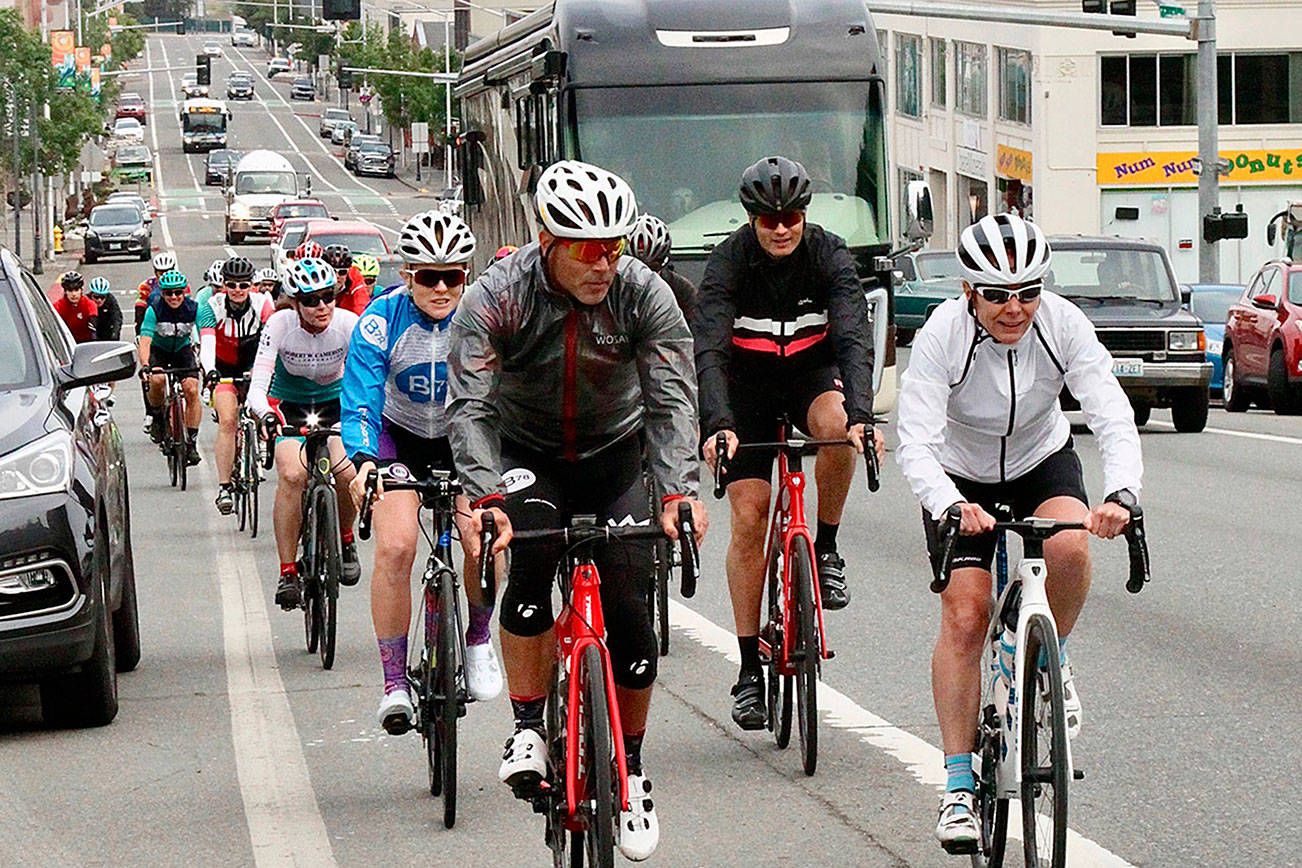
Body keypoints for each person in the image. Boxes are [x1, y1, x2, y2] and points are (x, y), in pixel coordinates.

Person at [447, 160, 707, 862]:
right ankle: (528, 722)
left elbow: (674, 398)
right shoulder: (495, 296)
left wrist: (680, 489)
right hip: (526, 450)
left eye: (615, 246)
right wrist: (485, 496)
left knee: (630, 603)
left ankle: (633, 770)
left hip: (615, 453)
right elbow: (469, 407)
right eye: (587, 247)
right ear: (545, 239)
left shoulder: (644, 293)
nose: (604, 262)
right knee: (528, 558)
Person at [894, 213, 1143, 853]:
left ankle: (1049, 656)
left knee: (1071, 544)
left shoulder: (1062, 324)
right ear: (970, 292)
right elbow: (916, 441)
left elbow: (1110, 411)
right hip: (960, 473)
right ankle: (956, 787)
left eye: (1028, 291)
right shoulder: (941, 336)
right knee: (967, 614)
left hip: (1040, 458)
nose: (1016, 308)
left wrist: (1122, 493)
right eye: (1000, 295)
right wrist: (950, 504)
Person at [694, 155, 881, 731]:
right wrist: (717, 423)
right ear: (751, 218)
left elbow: (852, 334)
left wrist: (863, 416)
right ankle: (749, 668)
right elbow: (709, 350)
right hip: (745, 388)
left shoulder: (829, 253)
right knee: (749, 519)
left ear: (805, 213)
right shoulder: (728, 262)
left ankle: (824, 548)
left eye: (791, 216)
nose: (781, 228)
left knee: (836, 426)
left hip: (807, 376)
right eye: (768, 218)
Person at [342, 211, 502, 734]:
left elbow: (509, 394)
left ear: (466, 276)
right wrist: (365, 460)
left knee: (483, 540)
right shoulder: (379, 320)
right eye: (427, 276)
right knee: (396, 547)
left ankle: (478, 639)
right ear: (407, 275)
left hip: (463, 441)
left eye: (452, 276)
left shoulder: (485, 318)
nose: (440, 287)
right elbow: (361, 399)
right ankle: (394, 683)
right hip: (399, 439)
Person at [247, 257, 362, 610]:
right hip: (289, 407)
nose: (322, 306)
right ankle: (287, 571)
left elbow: (365, 380)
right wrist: (265, 414)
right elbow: (257, 385)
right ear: (295, 303)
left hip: (336, 404)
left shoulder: (348, 323)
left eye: (328, 296)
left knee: (345, 471)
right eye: (311, 300)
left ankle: (344, 538)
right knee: (292, 474)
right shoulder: (280, 324)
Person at [200, 257, 275, 515]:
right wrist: (210, 370)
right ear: (224, 285)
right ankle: (223, 487)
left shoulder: (264, 303)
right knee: (228, 421)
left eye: (243, 285)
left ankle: (260, 444)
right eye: (232, 285)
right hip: (224, 368)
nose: (238, 290)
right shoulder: (211, 306)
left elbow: (272, 340)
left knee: (260, 407)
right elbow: (207, 344)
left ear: (251, 285)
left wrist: (262, 370)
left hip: (257, 362)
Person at [138, 270, 202, 465]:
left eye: (178, 293)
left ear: (184, 293)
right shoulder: (154, 309)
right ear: (162, 294)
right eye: (168, 293)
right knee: (157, 379)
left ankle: (191, 443)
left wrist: (207, 363)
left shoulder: (194, 308)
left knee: (191, 389)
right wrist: (146, 365)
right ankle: (157, 416)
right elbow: (146, 340)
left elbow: (205, 336)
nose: (174, 297)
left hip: (182, 350)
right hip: (159, 350)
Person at [627, 214, 697, 325]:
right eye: (635, 268)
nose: (645, 277)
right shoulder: (608, 289)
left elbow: (698, 331)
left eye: (652, 268)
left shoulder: (682, 290)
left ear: (663, 262)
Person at [135, 251, 177, 334]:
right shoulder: (146, 286)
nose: (164, 275)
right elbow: (140, 312)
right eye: (161, 273)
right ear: (155, 272)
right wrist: (139, 333)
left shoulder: (183, 285)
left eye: (168, 272)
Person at [323, 244, 371, 314]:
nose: (337, 276)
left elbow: (361, 303)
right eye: (332, 271)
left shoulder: (354, 279)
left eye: (342, 272)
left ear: (348, 272)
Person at [53, 271, 98, 343]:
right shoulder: (58, 306)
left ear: (81, 290)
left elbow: (93, 330)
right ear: (65, 291)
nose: (73, 294)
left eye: (76, 290)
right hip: (67, 342)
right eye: (70, 290)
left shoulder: (90, 304)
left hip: (86, 342)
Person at [87, 276, 122, 342]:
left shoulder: (111, 300)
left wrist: (115, 335)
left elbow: (117, 319)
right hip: (92, 330)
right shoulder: (86, 300)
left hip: (107, 330)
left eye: (102, 297)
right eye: (96, 297)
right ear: (91, 295)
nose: (99, 300)